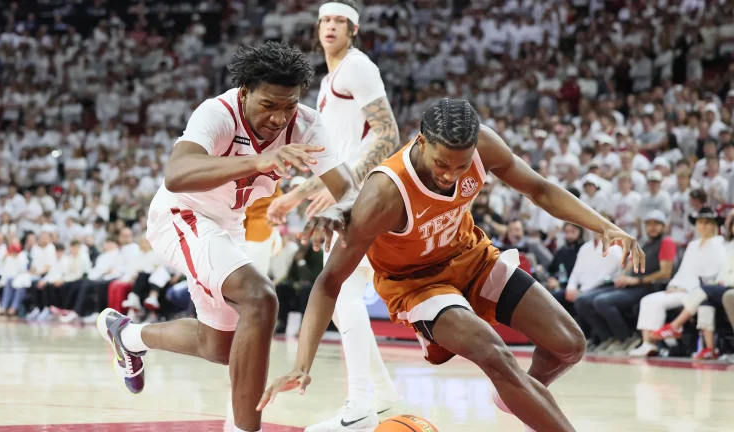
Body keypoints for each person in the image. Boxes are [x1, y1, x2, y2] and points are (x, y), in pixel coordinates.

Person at [259, 99, 645, 432]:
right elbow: (329, 282)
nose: (451, 175)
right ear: (422, 142)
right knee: (495, 354)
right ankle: (517, 388)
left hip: (472, 258)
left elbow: (540, 189)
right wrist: (301, 362)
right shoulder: (385, 194)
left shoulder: (482, 148)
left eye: (461, 167)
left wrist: (605, 226)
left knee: (569, 345)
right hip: (418, 285)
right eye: (443, 164)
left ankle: (513, 394)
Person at [95, 42, 358, 432]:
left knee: (221, 347)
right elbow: (177, 173)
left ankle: (129, 335)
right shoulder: (217, 113)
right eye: (269, 104)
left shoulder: (306, 124)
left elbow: (348, 189)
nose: (279, 117)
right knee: (260, 297)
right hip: (181, 213)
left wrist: (337, 209)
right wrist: (256, 160)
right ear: (245, 92)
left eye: (288, 105)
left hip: (227, 226)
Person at [267, 1, 402, 428]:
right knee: (342, 302)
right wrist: (298, 194)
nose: (331, 26)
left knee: (339, 290)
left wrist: (344, 187)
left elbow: (387, 132)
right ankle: (380, 392)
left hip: (363, 195)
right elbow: (337, 157)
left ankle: (360, 402)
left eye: (340, 21)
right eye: (325, 20)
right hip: (348, 193)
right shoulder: (329, 80)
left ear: (354, 29)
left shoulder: (358, 68)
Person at [574, 210, 676, 354]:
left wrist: (636, 280)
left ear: (664, 226)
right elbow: (629, 264)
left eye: (656, 224)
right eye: (649, 224)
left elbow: (665, 272)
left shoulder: (666, 242)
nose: (652, 227)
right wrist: (623, 275)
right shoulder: (645, 244)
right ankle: (608, 338)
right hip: (629, 285)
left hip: (647, 287)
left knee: (603, 301)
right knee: (582, 300)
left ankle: (626, 338)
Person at [630, 207, 727, 357]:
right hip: (681, 286)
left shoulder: (719, 244)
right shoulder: (693, 245)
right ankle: (648, 344)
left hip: (698, 290)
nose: (703, 226)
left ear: (715, 225)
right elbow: (684, 269)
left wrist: (686, 287)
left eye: (707, 222)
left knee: (660, 301)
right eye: (700, 222)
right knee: (648, 300)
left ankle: (674, 330)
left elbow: (712, 273)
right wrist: (675, 285)